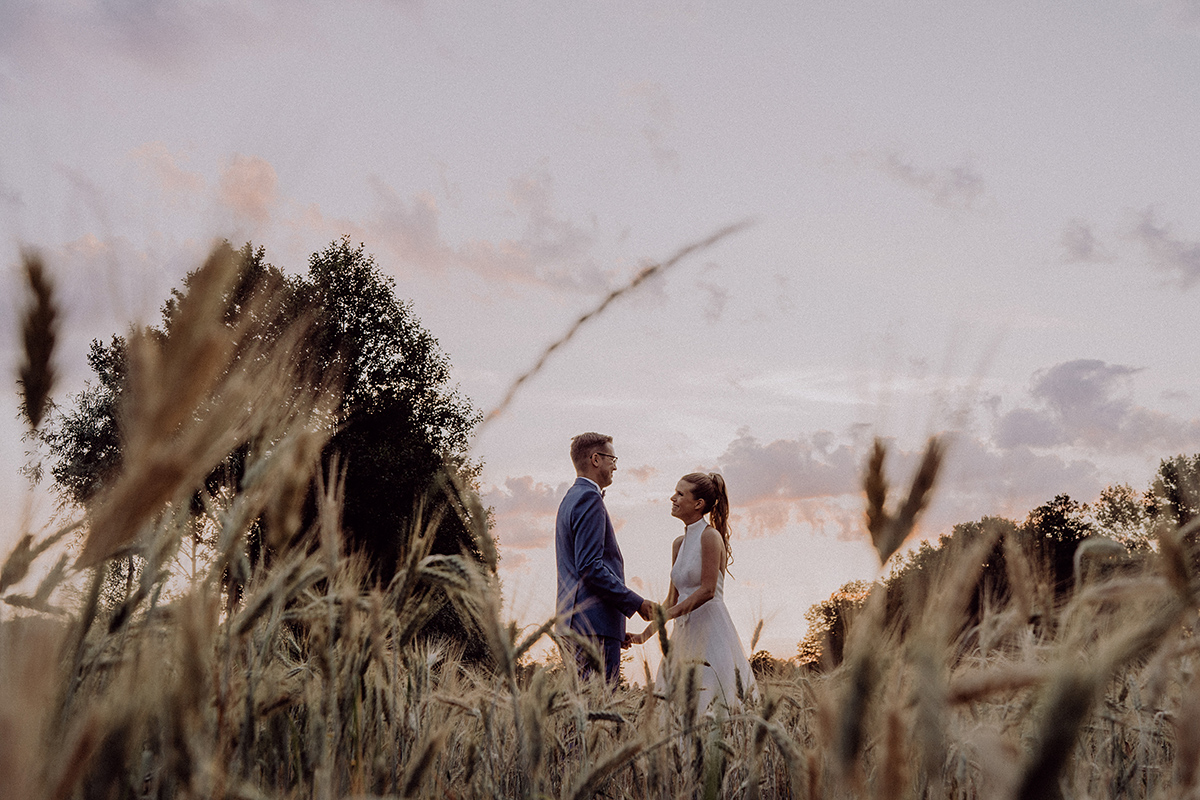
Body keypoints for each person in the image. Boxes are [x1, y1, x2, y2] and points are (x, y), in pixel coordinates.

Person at [629, 472, 756, 712]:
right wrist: (643, 636)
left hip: (711, 632)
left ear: (698, 504)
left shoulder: (710, 537)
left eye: (680, 494)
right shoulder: (678, 544)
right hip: (684, 634)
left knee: (712, 704)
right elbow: (671, 600)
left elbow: (708, 590)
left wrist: (668, 615)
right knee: (679, 707)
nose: (673, 498)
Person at [555, 432, 655, 683]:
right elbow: (590, 567)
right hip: (593, 626)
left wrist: (615, 628)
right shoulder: (589, 498)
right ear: (596, 459)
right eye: (612, 459)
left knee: (580, 703)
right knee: (597, 704)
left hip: (574, 623)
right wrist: (637, 603)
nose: (615, 466)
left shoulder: (570, 498)